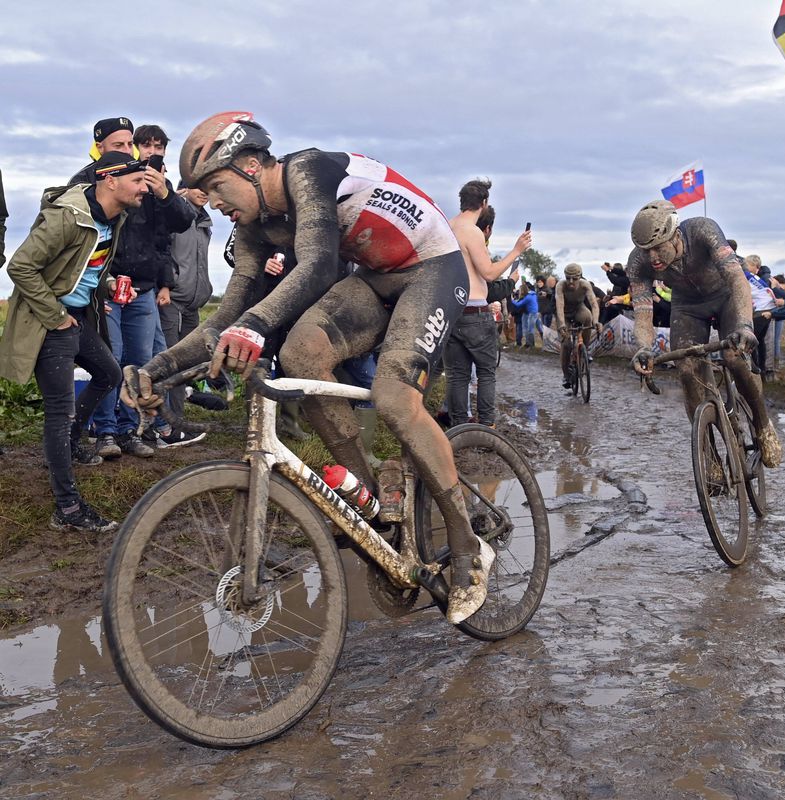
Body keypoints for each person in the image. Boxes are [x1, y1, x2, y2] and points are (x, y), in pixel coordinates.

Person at [124, 112, 494, 623]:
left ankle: (468, 543)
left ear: (252, 165)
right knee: (300, 354)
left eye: (216, 185)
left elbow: (318, 263)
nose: (213, 202)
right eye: (204, 193)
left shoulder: (307, 171)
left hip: (432, 269)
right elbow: (230, 313)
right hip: (376, 277)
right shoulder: (254, 224)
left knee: (391, 397)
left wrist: (255, 328)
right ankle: (370, 505)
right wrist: (157, 368)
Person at [0, 153, 148, 531]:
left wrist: (109, 283)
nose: (145, 188)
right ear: (110, 180)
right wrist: (54, 316)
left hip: (78, 318)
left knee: (108, 374)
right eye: (138, 180)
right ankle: (66, 509)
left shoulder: (114, 217)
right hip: (49, 323)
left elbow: (83, 266)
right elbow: (20, 267)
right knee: (58, 411)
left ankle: (69, 442)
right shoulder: (68, 216)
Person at [70, 120, 196, 458]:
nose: (127, 150)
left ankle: (130, 431)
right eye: (119, 144)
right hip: (104, 290)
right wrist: (98, 285)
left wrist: (164, 192)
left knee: (140, 364)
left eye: (130, 144)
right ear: (100, 144)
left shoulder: (148, 181)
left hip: (142, 288)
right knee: (110, 362)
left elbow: (183, 221)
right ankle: (105, 433)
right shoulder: (85, 178)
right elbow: (79, 239)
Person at [625, 201, 782, 467]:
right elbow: (642, 313)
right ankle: (709, 455)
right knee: (687, 370)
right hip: (687, 307)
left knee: (735, 357)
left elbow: (736, 279)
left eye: (658, 247)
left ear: (675, 236)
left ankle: (763, 425)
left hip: (726, 298)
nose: (653, 258)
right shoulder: (638, 262)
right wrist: (644, 348)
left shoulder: (703, 230)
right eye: (646, 251)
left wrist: (745, 325)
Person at [445, 179, 531, 428]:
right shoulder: (472, 232)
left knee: (457, 376)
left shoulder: (447, 227)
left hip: (453, 309)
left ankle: (459, 426)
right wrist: (516, 250)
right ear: (483, 203)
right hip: (475, 311)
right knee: (485, 372)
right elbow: (489, 273)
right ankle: (487, 425)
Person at [156, 182, 214, 444]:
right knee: (170, 363)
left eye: (209, 187)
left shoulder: (205, 221)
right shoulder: (174, 214)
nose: (204, 192)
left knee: (186, 365)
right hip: (172, 300)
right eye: (198, 186)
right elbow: (162, 250)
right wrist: (169, 283)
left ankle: (176, 421)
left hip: (193, 303)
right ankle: (168, 428)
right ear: (183, 188)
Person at [555, 263, 602, 387]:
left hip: (578, 309)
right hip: (564, 313)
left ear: (580, 276)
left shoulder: (585, 285)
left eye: (574, 278)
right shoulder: (560, 285)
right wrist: (561, 325)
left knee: (588, 317)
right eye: (568, 278)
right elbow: (559, 306)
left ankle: (584, 350)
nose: (571, 282)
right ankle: (566, 375)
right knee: (566, 344)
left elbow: (594, 304)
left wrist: (596, 321)